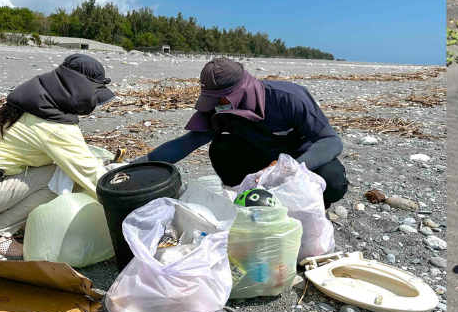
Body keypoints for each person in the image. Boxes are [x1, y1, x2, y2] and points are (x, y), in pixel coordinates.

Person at [0, 54, 115, 257]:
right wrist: (126, 206)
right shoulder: (56, 127)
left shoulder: (29, 101)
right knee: (63, 175)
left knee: (55, 170)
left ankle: (18, 218)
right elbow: (90, 175)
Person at [136, 58, 349, 207]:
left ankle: (308, 203)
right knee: (221, 147)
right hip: (261, 160)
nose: (217, 106)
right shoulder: (221, 109)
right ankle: (249, 197)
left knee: (333, 184)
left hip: (301, 159)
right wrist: (140, 164)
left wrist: (289, 167)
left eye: (220, 99)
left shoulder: (288, 97)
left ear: (242, 90)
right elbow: (189, 142)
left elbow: (331, 140)